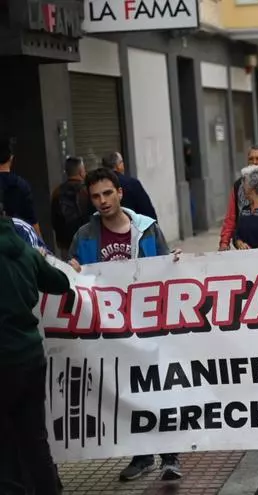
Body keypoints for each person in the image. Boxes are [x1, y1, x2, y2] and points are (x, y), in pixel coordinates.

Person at [67, 168, 183, 482]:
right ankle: (142, 456)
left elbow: (164, 266)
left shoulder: (146, 229)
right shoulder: (85, 235)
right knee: (127, 392)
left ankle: (171, 456)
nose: (102, 201)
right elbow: (72, 278)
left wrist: (175, 262)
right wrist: (72, 270)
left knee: (158, 388)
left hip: (148, 324)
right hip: (112, 330)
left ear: (120, 193)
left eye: (107, 193)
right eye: (95, 196)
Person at [0, 199, 70, 495]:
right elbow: (60, 283)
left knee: (6, 448)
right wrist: (42, 258)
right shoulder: (24, 250)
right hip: (30, 358)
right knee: (35, 440)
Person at [100, 152, 159, 220]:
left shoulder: (97, 187)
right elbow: (148, 212)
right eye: (122, 162)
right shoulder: (132, 184)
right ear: (118, 165)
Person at [50, 156, 90, 257]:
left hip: (66, 244)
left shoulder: (57, 192)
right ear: (81, 172)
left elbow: (54, 219)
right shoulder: (87, 191)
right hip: (88, 240)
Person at [0, 135, 40, 235]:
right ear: (11, 158)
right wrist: (41, 245)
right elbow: (32, 221)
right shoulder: (21, 185)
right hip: (18, 241)